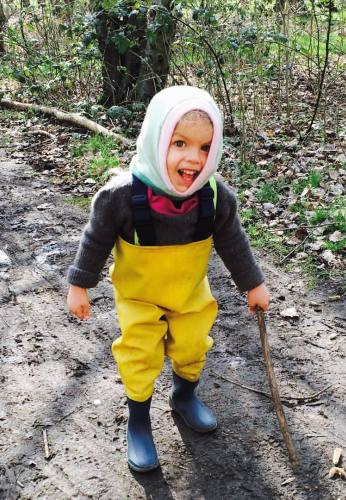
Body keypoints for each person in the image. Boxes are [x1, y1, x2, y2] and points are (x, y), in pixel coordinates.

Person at [67, 86, 270, 473]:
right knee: (140, 355)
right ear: (157, 139)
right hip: (139, 297)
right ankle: (139, 421)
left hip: (190, 293)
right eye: (180, 143)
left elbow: (233, 241)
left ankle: (184, 395)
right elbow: (94, 240)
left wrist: (253, 283)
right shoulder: (121, 197)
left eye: (205, 148)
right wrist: (80, 285)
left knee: (194, 344)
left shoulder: (214, 196)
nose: (193, 158)